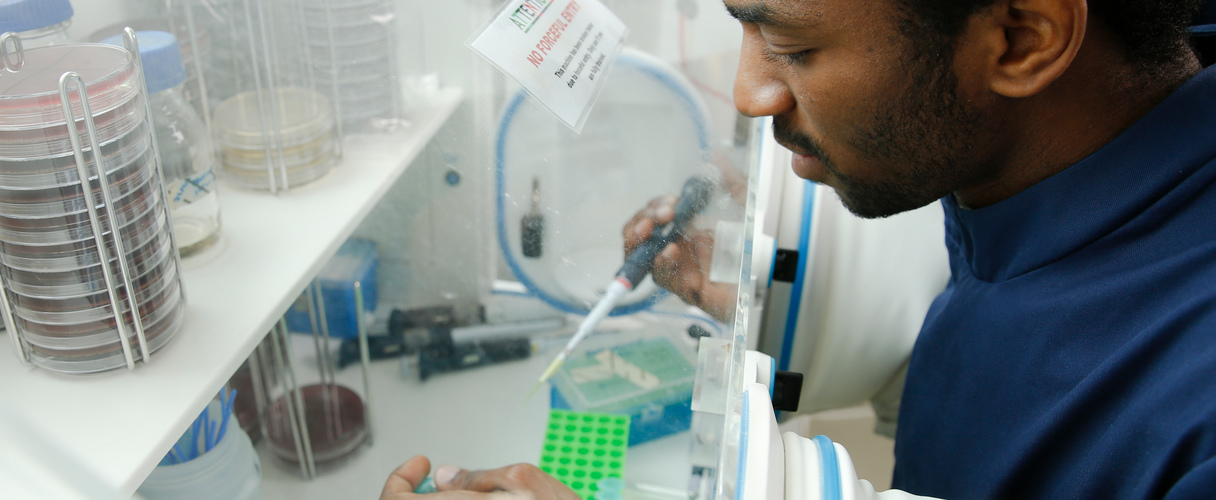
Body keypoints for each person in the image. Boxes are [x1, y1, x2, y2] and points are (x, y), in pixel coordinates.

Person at [383, 0, 1216, 497]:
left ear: (1023, 37)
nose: (749, 94)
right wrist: (817, 307)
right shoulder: (1030, 167)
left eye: (793, 47)